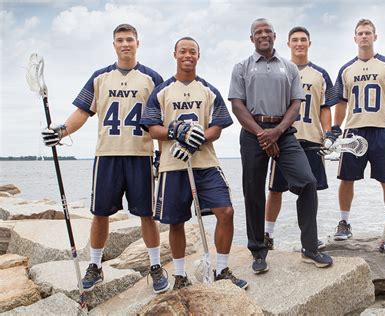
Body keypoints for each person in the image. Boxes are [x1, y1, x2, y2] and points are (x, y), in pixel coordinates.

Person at [41, 24, 169, 293]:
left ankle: (155, 266)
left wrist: (161, 154)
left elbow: (160, 120)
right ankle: (96, 266)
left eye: (130, 40)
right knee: (100, 214)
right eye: (120, 40)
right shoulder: (100, 77)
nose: (125, 44)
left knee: (146, 214)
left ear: (138, 43)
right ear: (114, 45)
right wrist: (62, 130)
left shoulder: (152, 78)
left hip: (140, 155)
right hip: (107, 155)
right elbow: (82, 111)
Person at [140, 36, 248, 290]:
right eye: (183, 51)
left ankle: (221, 269)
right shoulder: (162, 90)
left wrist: (197, 139)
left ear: (198, 56)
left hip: (205, 163)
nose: (187, 55)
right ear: (175, 55)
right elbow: (152, 128)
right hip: (173, 165)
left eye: (192, 52)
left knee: (226, 212)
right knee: (176, 221)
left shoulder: (208, 90)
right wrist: (177, 133)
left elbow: (218, 126)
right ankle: (180, 276)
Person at [229, 18, 333, 273]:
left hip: (283, 132)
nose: (263, 35)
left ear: (274, 36)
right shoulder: (241, 67)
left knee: (307, 182)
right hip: (253, 132)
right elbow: (237, 105)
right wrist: (262, 134)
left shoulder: (289, 68)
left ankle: (310, 248)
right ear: (251, 38)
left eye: (267, 31)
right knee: (253, 192)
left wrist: (276, 132)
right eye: (258, 32)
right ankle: (258, 251)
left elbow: (296, 104)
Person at [332, 19, 385, 252]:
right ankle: (344, 222)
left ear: (375, 37)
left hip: (382, 129)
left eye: (368, 33)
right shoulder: (346, 69)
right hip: (354, 129)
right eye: (360, 33)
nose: (364, 37)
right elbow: (341, 101)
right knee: (346, 178)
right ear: (354, 38)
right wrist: (335, 127)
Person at [264, 26, 338, 251]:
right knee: (276, 189)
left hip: (312, 138)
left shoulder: (320, 74)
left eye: (303, 39)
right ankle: (268, 234)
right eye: (294, 40)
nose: (299, 43)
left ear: (309, 43)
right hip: (285, 138)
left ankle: (309, 238)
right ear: (288, 44)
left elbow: (325, 108)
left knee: (310, 190)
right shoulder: (278, 70)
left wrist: (328, 133)